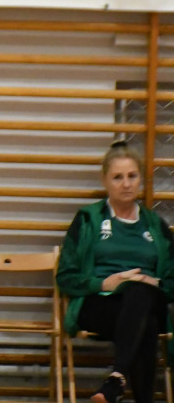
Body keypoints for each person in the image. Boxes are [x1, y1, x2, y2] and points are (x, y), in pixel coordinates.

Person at [56, 140, 174, 403]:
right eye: (118, 177)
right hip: (100, 305)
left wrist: (152, 281)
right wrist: (104, 284)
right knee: (148, 324)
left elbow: (171, 281)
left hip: (146, 299)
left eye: (132, 176)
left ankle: (116, 379)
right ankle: (127, 387)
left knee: (139, 292)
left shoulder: (155, 225)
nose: (126, 183)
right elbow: (65, 277)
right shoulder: (88, 219)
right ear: (105, 181)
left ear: (141, 179)